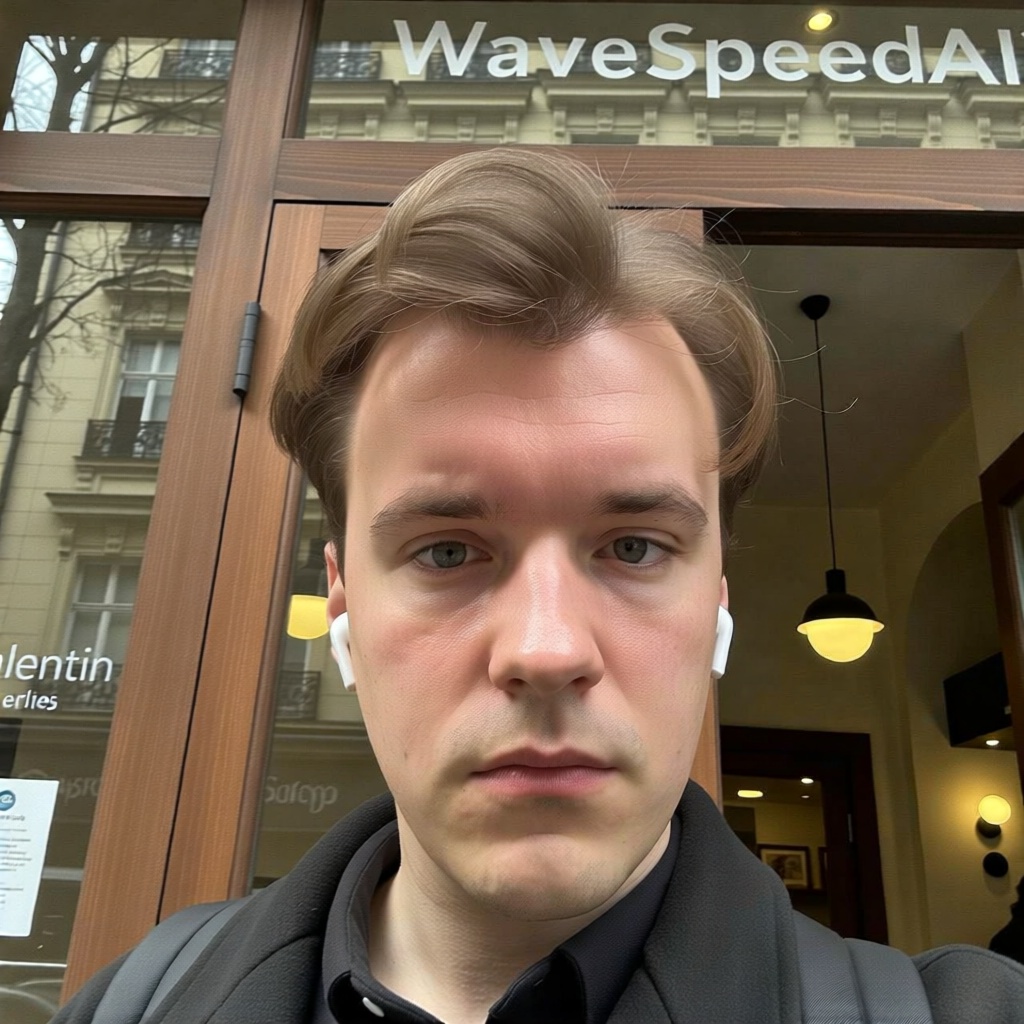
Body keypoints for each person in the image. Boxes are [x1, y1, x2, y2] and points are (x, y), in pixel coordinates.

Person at [54, 150, 1024, 1024]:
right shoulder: (136, 1003)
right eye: (446, 552)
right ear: (342, 605)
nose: (547, 650)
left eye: (635, 547)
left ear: (717, 603)